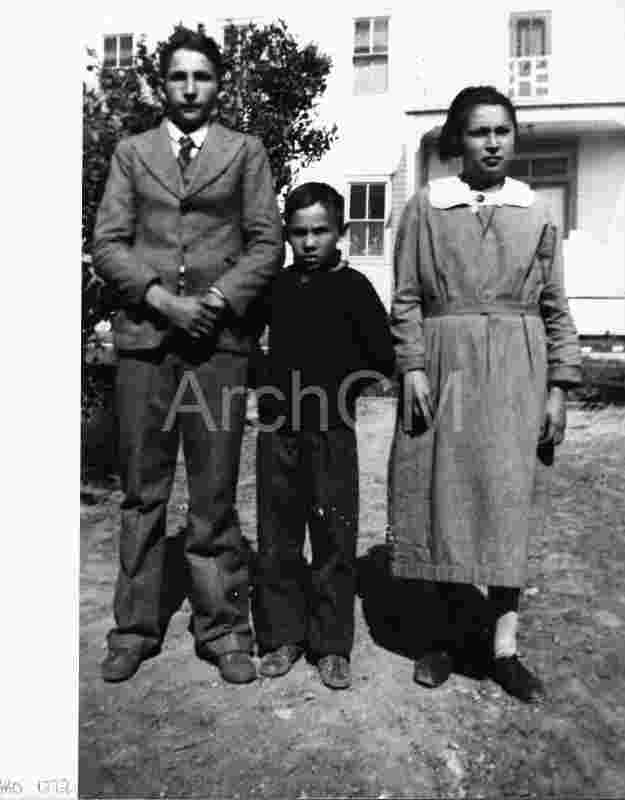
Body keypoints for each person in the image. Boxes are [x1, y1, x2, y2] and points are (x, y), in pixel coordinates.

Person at [93, 28, 284, 684]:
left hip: (217, 347)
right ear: (162, 85)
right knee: (142, 492)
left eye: (202, 76)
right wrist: (162, 300)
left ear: (219, 84)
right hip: (146, 343)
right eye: (179, 77)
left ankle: (224, 629)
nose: (190, 88)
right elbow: (108, 244)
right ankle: (133, 628)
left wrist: (219, 300)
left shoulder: (245, 152)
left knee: (214, 492)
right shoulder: (131, 153)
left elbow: (267, 243)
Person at [388, 86, 581, 702]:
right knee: (445, 495)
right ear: (458, 140)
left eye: (502, 131)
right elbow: (406, 298)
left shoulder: (537, 211)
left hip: (519, 370)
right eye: (479, 132)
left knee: (506, 499)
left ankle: (504, 649)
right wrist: (413, 367)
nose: (492, 143)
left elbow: (556, 307)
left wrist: (560, 387)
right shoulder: (426, 207)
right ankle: (443, 638)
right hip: (445, 363)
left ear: (514, 137)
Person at [252, 183, 395, 689]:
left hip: (332, 431)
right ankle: (283, 635)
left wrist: (344, 384)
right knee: (278, 535)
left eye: (320, 231)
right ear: (286, 234)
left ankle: (332, 645)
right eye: (299, 232)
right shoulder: (275, 286)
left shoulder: (354, 287)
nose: (309, 242)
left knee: (334, 538)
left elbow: (382, 354)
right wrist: (264, 385)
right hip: (278, 429)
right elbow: (248, 344)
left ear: (341, 232)